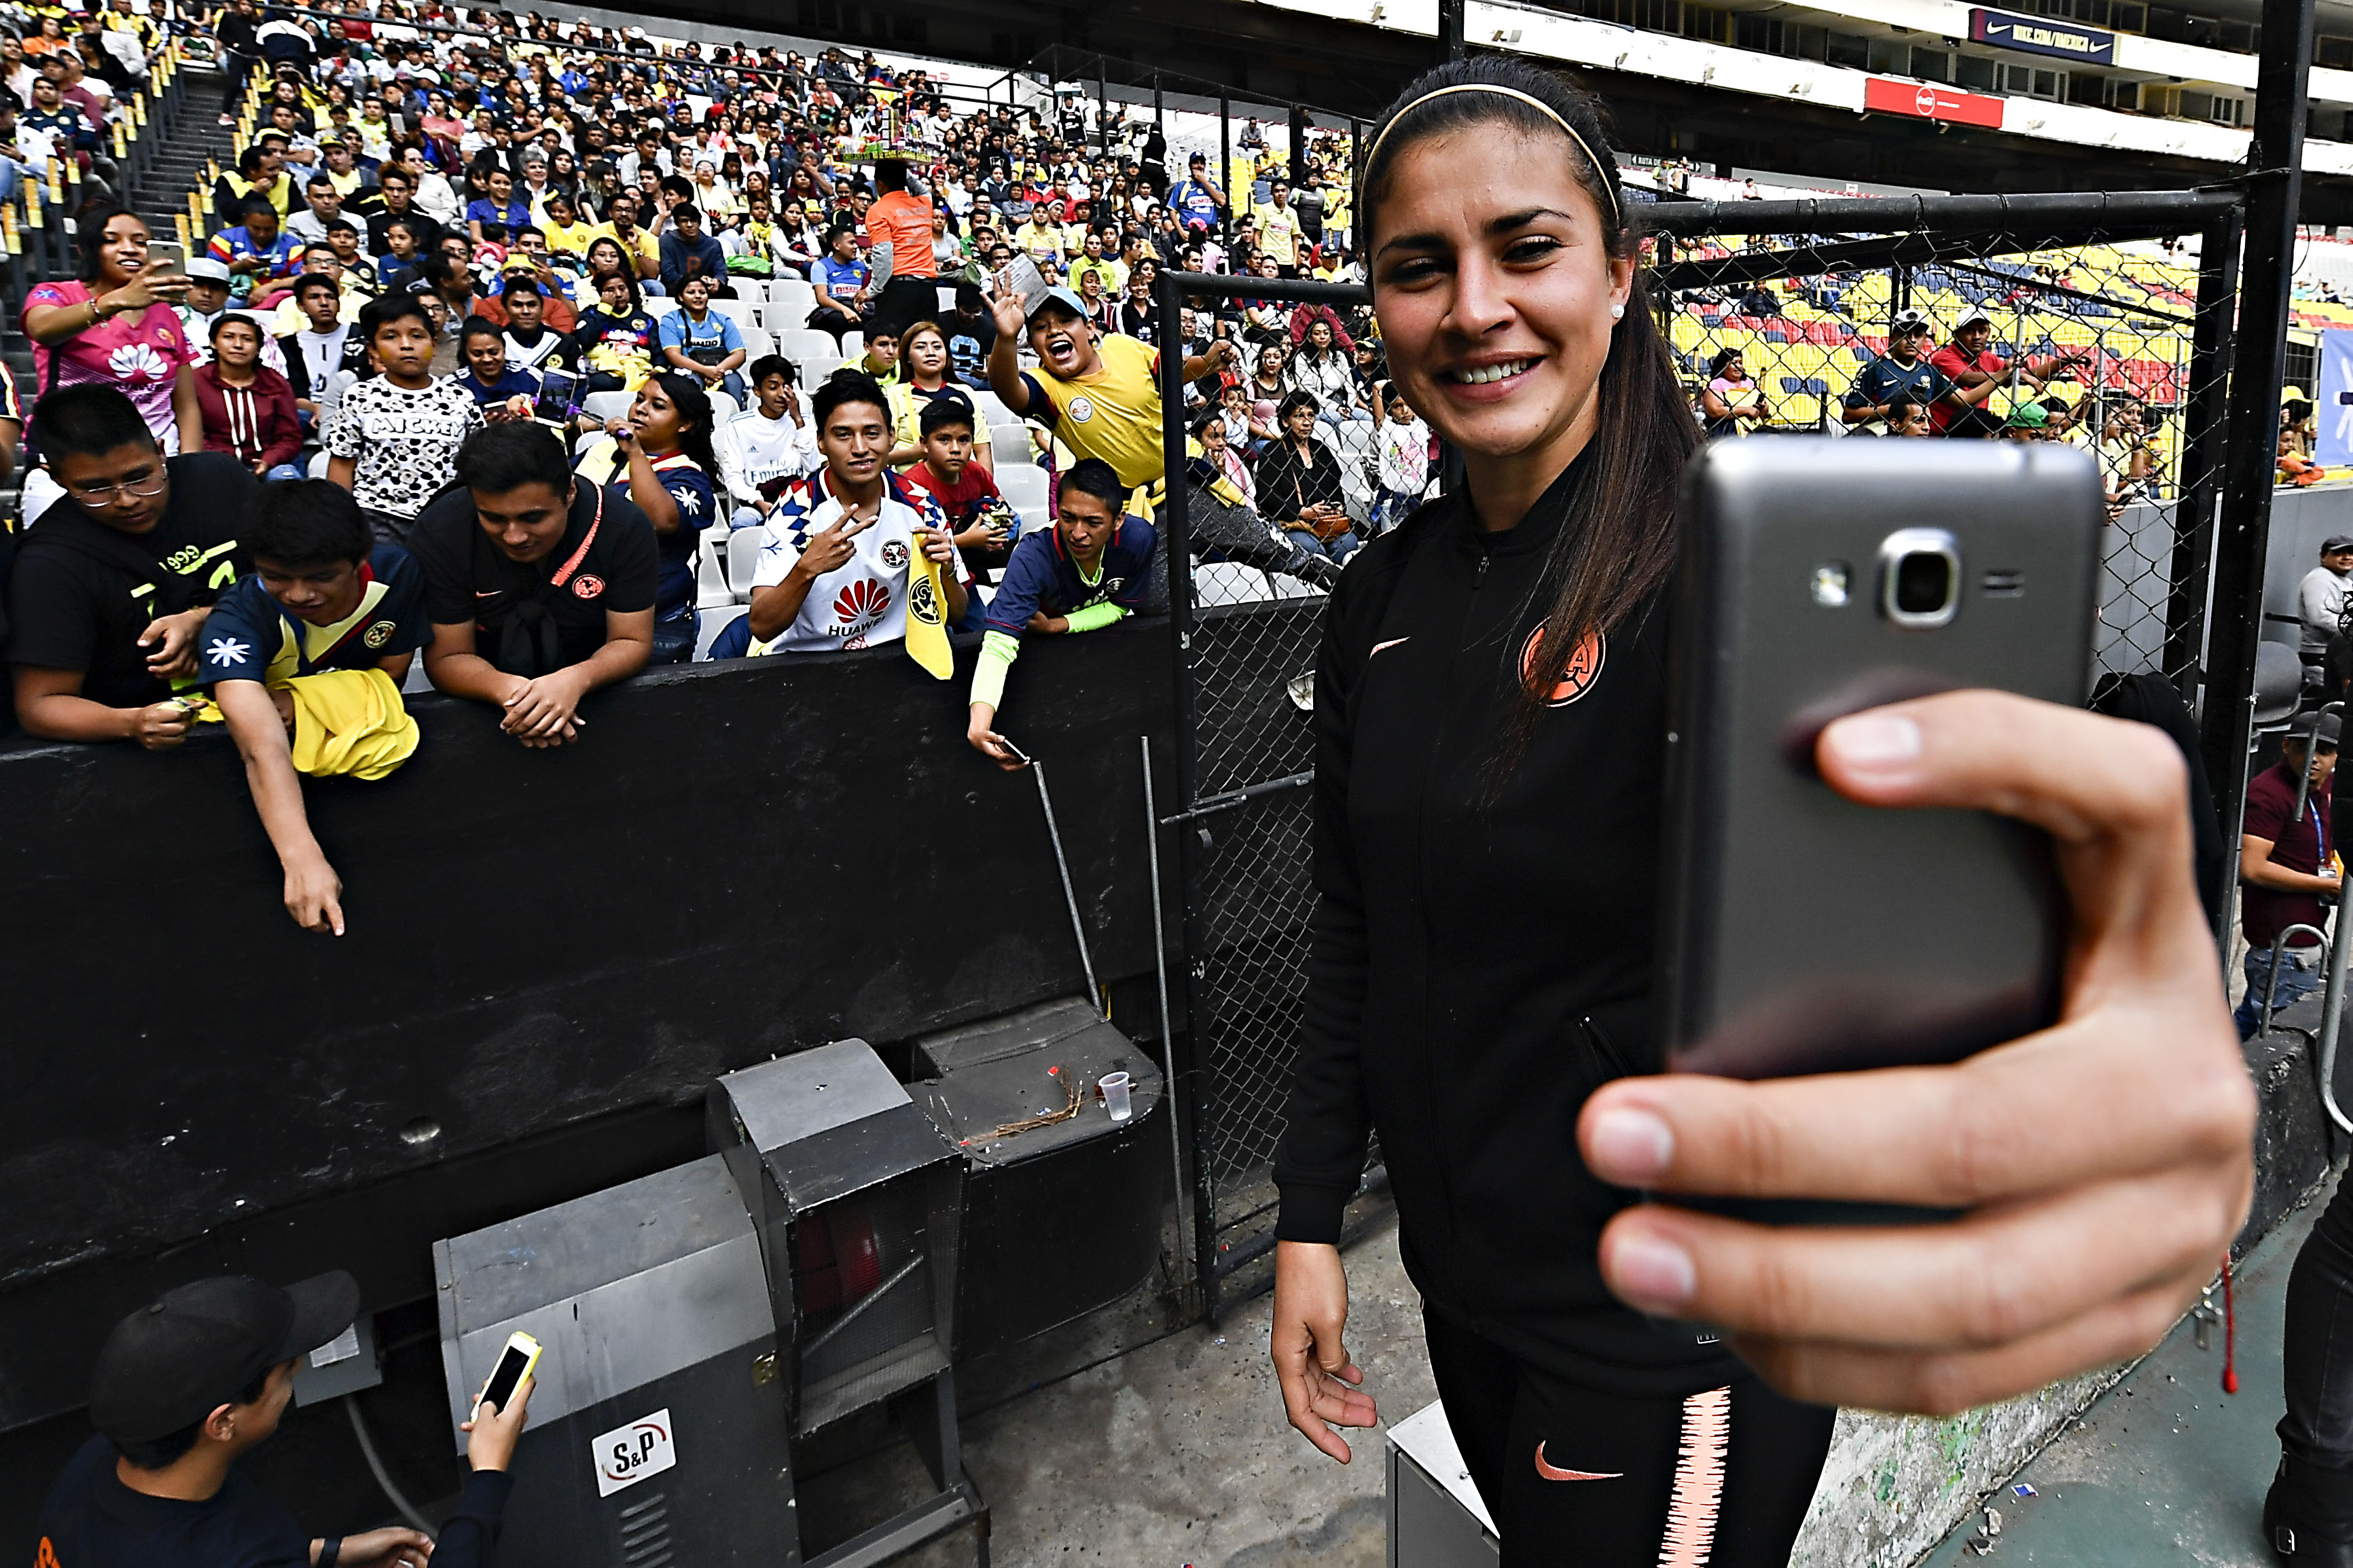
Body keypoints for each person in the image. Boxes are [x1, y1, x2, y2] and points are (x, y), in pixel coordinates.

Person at [1268, 58, 2251, 1568]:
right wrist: (1307, 1214)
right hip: (1464, 1289)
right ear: (1376, 306)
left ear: (1618, 273)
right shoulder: (1377, 601)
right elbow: (1354, 925)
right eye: (1419, 267)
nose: (1473, 306)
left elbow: (1946, 885)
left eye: (1525, 248)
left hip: (1677, 1337)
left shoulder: (1739, 584)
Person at [37, 1267, 529, 1567]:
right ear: (222, 1421)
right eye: (286, 1374)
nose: (293, 1383)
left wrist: (324, 1554)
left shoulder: (97, 1468)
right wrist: (488, 1472)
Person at [194, 481, 429, 936]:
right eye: (276, 575)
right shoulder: (238, 618)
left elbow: (390, 678)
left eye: (321, 576)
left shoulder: (397, 574)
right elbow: (260, 746)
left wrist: (302, 699)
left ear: (360, 560)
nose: (298, 594)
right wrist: (301, 857)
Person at [7, 385, 257, 747]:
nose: (126, 501)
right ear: (56, 478)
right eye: (95, 489)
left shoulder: (221, 481)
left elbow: (306, 580)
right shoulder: (48, 564)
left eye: (141, 478)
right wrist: (134, 723)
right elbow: (41, 705)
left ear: (161, 451)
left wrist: (208, 618)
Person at [409, 422, 656, 746]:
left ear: (569, 494)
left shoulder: (623, 528)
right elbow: (448, 656)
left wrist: (575, 680)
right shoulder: (440, 533)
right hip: (486, 708)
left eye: (534, 518)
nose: (514, 536)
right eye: (493, 518)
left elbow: (630, 640)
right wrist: (520, 699)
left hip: (598, 696)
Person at [742, 369, 970, 655]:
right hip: (807, 665)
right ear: (821, 442)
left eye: (872, 433)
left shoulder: (919, 503)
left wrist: (947, 572)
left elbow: (956, 615)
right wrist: (806, 569)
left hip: (893, 660)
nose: (860, 448)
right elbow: (762, 626)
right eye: (843, 435)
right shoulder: (797, 508)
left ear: (891, 437)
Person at [967, 456, 1156, 767]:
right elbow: (999, 645)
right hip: (1033, 673)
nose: (1078, 533)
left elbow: (1120, 606)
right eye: (1068, 518)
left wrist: (1058, 625)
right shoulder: (1031, 556)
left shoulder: (1139, 538)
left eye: (1093, 522)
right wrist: (979, 725)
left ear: (1118, 520)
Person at [21, 204, 200, 522]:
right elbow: (42, 329)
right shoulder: (57, 294)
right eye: (112, 240)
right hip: (75, 461)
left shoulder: (168, 314)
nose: (130, 249)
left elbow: (185, 405)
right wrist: (115, 301)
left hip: (153, 463)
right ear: (86, 248)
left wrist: (190, 467)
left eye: (141, 241)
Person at [573, 371, 718, 664]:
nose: (640, 409)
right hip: (583, 613)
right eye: (640, 399)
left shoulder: (688, 476)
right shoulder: (599, 451)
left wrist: (635, 453)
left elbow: (660, 521)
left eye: (658, 405)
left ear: (685, 424)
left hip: (656, 621)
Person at [326, 293, 486, 544]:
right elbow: (343, 463)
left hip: (445, 519)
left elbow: (476, 464)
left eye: (417, 336)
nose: (406, 345)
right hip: (376, 518)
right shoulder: (359, 397)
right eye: (391, 337)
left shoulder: (459, 398)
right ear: (373, 349)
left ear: (433, 344)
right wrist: (340, 522)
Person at [2234, 714, 2340, 1039]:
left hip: (2303, 941)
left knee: (2252, 1026)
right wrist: (2326, 885)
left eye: (2324, 751)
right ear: (2285, 746)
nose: (2313, 760)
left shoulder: (2323, 787)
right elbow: (2251, 867)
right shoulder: (2269, 793)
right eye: (2304, 748)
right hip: (2284, 948)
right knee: (2278, 1038)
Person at [901, 392, 1017, 585]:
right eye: (944, 440)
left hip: (973, 563)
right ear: (925, 444)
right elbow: (917, 549)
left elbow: (998, 501)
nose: (955, 449)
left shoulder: (975, 472)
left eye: (964, 440)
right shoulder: (911, 486)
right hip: (931, 574)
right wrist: (967, 540)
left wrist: (1004, 518)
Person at [1926, 309, 2091, 437]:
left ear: (1989, 333)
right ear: (1956, 335)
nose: (1977, 337)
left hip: (1976, 435)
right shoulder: (1944, 357)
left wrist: (2061, 362)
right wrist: (2011, 375)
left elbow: (2028, 374)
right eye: (1970, 331)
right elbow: (1968, 378)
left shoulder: (1988, 358)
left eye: (1982, 331)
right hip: (1942, 434)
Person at [192, 315, 304, 480]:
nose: (238, 345)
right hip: (214, 464)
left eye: (247, 339)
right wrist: (221, 462)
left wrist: (268, 461)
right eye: (228, 337)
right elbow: (194, 434)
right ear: (213, 343)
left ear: (259, 348)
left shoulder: (276, 384)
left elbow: (289, 437)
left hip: (268, 464)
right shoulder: (196, 382)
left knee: (285, 478)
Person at [1257, 390, 1359, 565]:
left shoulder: (1321, 450)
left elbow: (1336, 488)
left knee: (1349, 543)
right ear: (1285, 421)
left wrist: (1337, 506)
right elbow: (1266, 497)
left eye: (1310, 415)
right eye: (1299, 416)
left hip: (1326, 525)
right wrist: (1302, 512)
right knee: (1311, 549)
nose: (1306, 422)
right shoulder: (1273, 452)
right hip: (1293, 523)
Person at [719, 355, 820, 530]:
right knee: (743, 521)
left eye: (787, 386)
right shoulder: (739, 424)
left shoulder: (803, 422)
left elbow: (812, 466)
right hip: (755, 502)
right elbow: (733, 476)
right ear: (758, 391)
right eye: (773, 388)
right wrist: (758, 501)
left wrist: (797, 420)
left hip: (797, 498)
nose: (782, 394)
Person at [887, 318, 992, 471]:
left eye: (937, 347)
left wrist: (988, 490)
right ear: (908, 357)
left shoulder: (965, 392)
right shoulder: (895, 394)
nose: (931, 353)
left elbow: (982, 450)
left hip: (965, 484)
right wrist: (913, 453)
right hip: (913, 488)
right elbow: (881, 456)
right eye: (921, 347)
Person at [864, 157, 939, 335]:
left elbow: (884, 255)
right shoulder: (924, 203)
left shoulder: (878, 210)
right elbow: (921, 189)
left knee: (892, 347)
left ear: (879, 184)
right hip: (928, 290)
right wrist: (902, 169)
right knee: (921, 346)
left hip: (898, 290)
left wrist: (871, 290)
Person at [566, 268, 659, 395]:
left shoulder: (646, 320)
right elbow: (585, 341)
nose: (618, 294)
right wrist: (604, 309)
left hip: (639, 373)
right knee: (601, 383)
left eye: (622, 288)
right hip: (601, 372)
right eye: (610, 290)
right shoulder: (590, 315)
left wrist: (659, 368)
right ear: (600, 293)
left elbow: (658, 351)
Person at [658, 272, 747, 403]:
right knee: (693, 383)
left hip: (720, 369)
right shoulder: (670, 320)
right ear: (680, 297)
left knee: (733, 382)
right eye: (691, 292)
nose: (698, 296)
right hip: (687, 371)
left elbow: (739, 353)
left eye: (702, 292)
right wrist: (705, 371)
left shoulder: (723, 320)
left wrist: (717, 371)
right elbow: (674, 356)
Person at [1371, 382, 1431, 534]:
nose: (1405, 410)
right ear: (1389, 409)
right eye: (1398, 406)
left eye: (1409, 404)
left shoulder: (1421, 425)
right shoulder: (1385, 429)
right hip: (1392, 499)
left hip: (1417, 497)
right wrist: (1400, 379)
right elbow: (1377, 387)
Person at [458, 315, 542, 414]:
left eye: (494, 352)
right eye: (477, 354)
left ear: (504, 349)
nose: (487, 359)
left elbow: (559, 404)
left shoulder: (527, 374)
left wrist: (524, 400)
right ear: (467, 354)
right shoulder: (454, 383)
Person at [808, 222, 869, 344]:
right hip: (836, 309)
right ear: (837, 245)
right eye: (851, 243)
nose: (856, 247)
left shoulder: (861, 266)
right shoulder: (821, 265)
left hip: (858, 307)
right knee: (838, 319)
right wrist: (845, 310)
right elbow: (822, 297)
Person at [658, 203, 731, 298]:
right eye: (684, 221)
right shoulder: (667, 241)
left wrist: (718, 281)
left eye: (693, 221)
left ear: (699, 223)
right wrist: (697, 281)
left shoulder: (713, 244)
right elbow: (669, 275)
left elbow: (721, 271)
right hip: (678, 289)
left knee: (730, 292)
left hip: (706, 289)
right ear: (677, 224)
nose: (689, 225)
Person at [2301, 536, 2353, 666]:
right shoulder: (2319, 580)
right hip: (2321, 656)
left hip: (2340, 652)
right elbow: (2319, 618)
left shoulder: (2345, 582)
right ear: (2323, 557)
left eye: (2351, 553)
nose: (2346, 558)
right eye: (2338, 554)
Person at [1699, 346, 1765, 437]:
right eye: (1734, 363)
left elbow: (1764, 412)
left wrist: (1762, 408)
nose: (1739, 367)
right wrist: (1746, 410)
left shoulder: (1749, 382)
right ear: (1723, 366)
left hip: (1754, 427)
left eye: (1740, 363)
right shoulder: (1717, 384)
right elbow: (1716, 412)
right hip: (1730, 432)